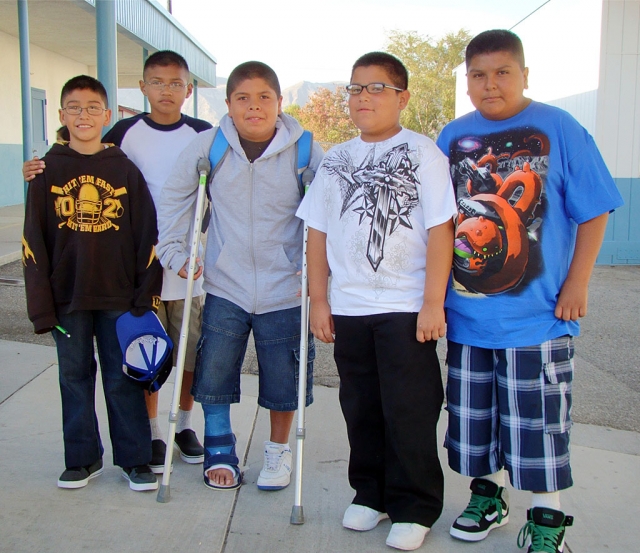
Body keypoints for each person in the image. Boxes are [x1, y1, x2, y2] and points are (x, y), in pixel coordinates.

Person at [436, 30, 624, 553]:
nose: (490, 84)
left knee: (537, 426)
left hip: (538, 317)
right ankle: (488, 497)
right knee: (474, 421)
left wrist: (577, 283)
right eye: (478, 75)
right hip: (468, 316)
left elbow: (594, 210)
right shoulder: (450, 137)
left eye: (502, 73)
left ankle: (548, 518)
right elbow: (435, 227)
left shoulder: (560, 128)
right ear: (467, 81)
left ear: (524, 75)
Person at [23, 50, 212, 474]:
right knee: (138, 354)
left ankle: (182, 424)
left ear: (188, 88)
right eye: (157, 82)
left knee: (188, 353)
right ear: (142, 86)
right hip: (128, 268)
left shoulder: (205, 133)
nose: (166, 90)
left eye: (175, 82)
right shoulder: (123, 131)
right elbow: (77, 146)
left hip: (184, 264)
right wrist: (36, 166)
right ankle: (151, 434)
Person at [297, 52, 456, 551]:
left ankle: (415, 505)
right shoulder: (337, 159)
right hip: (348, 306)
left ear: (401, 97)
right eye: (356, 88)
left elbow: (440, 229)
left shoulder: (424, 152)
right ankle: (371, 493)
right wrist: (319, 301)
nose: (363, 97)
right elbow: (316, 234)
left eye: (376, 88)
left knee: (409, 408)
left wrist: (434, 302)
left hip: (405, 306)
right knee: (360, 405)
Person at [156, 61, 324, 492]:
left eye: (264, 97)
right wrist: (175, 252)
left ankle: (277, 451)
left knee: (284, 378)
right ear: (228, 105)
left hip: (286, 287)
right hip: (225, 283)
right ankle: (219, 444)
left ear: (279, 102)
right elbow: (175, 200)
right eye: (243, 98)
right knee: (214, 369)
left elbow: (329, 218)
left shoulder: (305, 150)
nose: (254, 107)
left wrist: (322, 280)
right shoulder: (208, 146)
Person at [22, 75, 163, 492]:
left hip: (119, 296)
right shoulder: (47, 171)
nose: (83, 115)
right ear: (62, 115)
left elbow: (146, 236)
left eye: (92, 107)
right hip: (67, 297)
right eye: (74, 107)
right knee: (74, 376)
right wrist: (42, 305)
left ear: (107, 114)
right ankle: (82, 459)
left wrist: (146, 295)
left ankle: (135, 459)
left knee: (123, 378)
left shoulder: (123, 169)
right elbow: (34, 241)